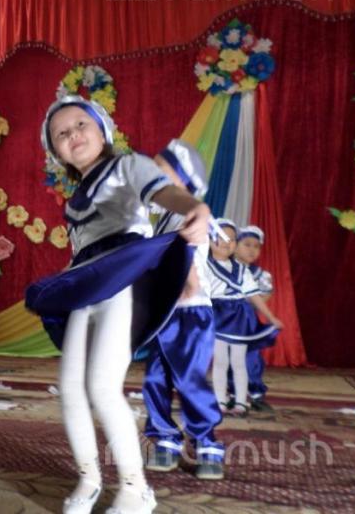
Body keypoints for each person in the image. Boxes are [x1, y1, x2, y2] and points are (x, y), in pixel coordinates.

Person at [26, 95, 208, 514]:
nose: (73, 135)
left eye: (81, 124)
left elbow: (164, 192)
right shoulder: (73, 200)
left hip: (124, 279)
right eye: (61, 134)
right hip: (87, 287)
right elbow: (81, 251)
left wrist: (193, 207)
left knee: (103, 386)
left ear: (102, 130)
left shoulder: (128, 165)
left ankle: (135, 488)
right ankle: (89, 479)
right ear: (56, 152)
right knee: (71, 389)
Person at [142, 139, 225, 480]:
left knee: (190, 379)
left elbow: (186, 264)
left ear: (181, 181)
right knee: (155, 378)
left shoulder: (188, 217)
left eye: (160, 171)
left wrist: (185, 291)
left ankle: (207, 443)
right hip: (165, 313)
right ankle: (165, 439)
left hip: (189, 312)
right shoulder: (162, 219)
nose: (151, 175)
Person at [208, 219, 282, 417]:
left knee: (241, 361)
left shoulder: (245, 271)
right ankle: (221, 400)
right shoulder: (205, 266)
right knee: (220, 361)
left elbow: (256, 296)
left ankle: (243, 400)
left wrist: (270, 317)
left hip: (241, 319)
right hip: (218, 316)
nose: (228, 243)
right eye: (223, 238)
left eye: (232, 239)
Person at [232, 225, 274, 412]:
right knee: (227, 357)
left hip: (247, 321)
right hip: (225, 319)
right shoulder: (223, 268)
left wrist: (248, 302)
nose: (252, 250)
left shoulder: (260, 274)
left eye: (256, 246)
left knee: (251, 357)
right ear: (235, 246)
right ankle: (232, 393)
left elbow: (266, 294)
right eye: (247, 244)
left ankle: (256, 393)